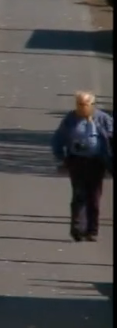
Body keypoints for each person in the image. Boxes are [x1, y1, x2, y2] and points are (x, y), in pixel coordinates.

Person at [51, 91, 113, 242]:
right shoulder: (70, 119)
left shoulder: (103, 119)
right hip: (77, 161)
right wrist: (61, 156)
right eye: (80, 104)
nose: (82, 107)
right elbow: (59, 138)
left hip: (97, 161)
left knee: (94, 197)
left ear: (92, 104)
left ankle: (92, 230)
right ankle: (77, 229)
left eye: (85, 104)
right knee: (79, 195)